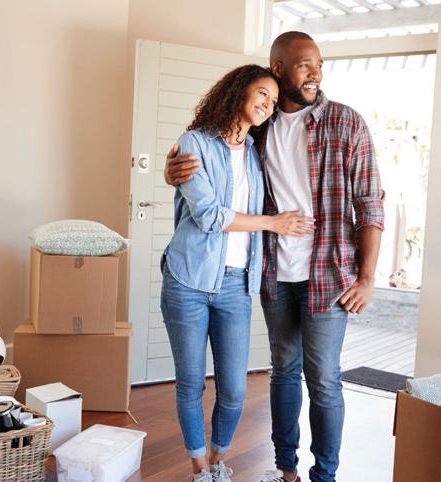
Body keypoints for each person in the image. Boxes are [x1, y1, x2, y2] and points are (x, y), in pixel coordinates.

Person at [164, 32, 385, 482]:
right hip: (272, 274)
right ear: (280, 68)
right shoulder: (258, 130)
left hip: (328, 274)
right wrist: (174, 173)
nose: (316, 74)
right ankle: (287, 472)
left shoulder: (345, 122)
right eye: (305, 65)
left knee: (324, 380)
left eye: (319, 65)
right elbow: (215, 164)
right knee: (283, 371)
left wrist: (367, 277)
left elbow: (371, 203)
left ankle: (324, 476)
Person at [160, 64, 315, 482]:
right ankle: (200, 469)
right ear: (238, 91)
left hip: (236, 283)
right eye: (262, 94)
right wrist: (274, 223)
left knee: (234, 389)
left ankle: (217, 460)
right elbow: (210, 216)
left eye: (272, 100)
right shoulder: (194, 142)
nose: (267, 104)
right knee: (191, 383)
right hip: (188, 279)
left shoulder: (256, 154)